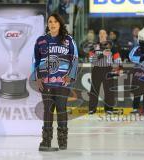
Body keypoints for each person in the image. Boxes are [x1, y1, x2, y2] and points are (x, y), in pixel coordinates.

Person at [34, 13, 78, 151]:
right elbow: (35, 60)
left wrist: (70, 76)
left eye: (55, 22)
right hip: (46, 83)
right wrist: (37, 78)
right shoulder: (41, 40)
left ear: (60, 24)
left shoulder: (68, 40)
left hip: (62, 83)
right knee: (47, 110)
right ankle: (46, 142)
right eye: (50, 21)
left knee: (61, 109)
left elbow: (75, 58)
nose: (52, 24)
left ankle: (62, 142)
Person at [88, 29, 122, 114]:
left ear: (106, 35)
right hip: (97, 69)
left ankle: (109, 109)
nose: (102, 35)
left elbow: (117, 58)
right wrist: (101, 54)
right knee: (94, 90)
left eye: (104, 33)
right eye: (100, 33)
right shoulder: (94, 46)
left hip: (108, 69)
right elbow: (91, 60)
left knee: (109, 90)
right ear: (98, 35)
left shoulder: (112, 46)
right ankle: (92, 109)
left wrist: (119, 67)